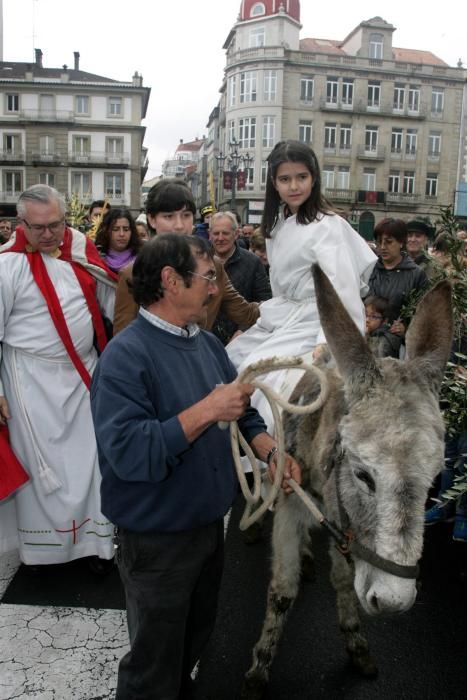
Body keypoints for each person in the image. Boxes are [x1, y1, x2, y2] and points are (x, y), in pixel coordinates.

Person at [90, 233, 301, 700]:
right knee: (153, 663)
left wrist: (269, 451)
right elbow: (128, 452)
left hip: (207, 527)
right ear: (169, 280)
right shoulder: (125, 357)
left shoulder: (205, 344)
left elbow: (241, 410)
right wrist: (207, 409)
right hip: (158, 537)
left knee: (189, 645)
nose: (213, 289)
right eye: (207, 278)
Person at [227, 139, 377, 438]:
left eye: (302, 177)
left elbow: (341, 289)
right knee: (230, 358)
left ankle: (267, 455)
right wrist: (262, 323)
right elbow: (280, 291)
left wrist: (328, 339)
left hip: (318, 322)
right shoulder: (277, 226)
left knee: (265, 383)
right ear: (274, 183)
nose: (294, 186)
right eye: (285, 179)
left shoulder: (328, 226)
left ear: (314, 178)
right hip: (285, 317)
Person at [0, 184, 117, 568]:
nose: (49, 234)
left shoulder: (79, 247)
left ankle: (95, 545)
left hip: (84, 373)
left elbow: (112, 297)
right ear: (21, 224)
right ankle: (45, 553)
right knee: (43, 468)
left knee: (91, 460)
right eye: (38, 228)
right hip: (30, 382)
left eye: (55, 224)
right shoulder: (6, 265)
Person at [112, 179, 260, 336]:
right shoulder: (132, 273)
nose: (179, 225)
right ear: (152, 220)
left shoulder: (212, 265)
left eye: (186, 215)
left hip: (198, 356)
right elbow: (123, 336)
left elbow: (246, 313)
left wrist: (283, 304)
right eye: (169, 216)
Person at [209, 211, 271, 344]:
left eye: (225, 233)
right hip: (205, 338)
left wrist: (244, 329)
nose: (220, 238)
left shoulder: (253, 262)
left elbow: (265, 301)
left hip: (241, 340)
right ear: (209, 234)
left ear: (236, 234)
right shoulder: (200, 260)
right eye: (216, 233)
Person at [368, 218, 428, 337]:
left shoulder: (416, 274)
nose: (383, 247)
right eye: (379, 242)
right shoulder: (369, 269)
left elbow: (421, 314)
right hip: (365, 337)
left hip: (395, 343)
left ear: (401, 242)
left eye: (388, 242)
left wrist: (405, 328)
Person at [94, 207, 142, 273]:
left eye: (126, 229)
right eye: (115, 229)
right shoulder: (96, 259)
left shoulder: (142, 258)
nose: (121, 234)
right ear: (106, 231)